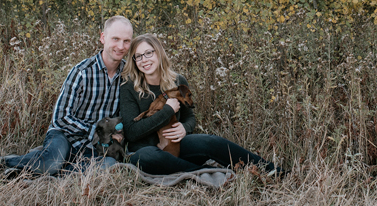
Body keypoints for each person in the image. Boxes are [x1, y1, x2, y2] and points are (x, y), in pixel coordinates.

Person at [118, 34, 280, 175]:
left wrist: (185, 128)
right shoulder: (129, 87)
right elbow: (132, 132)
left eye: (148, 53)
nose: (144, 60)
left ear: (159, 53)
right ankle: (203, 171)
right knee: (146, 157)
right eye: (138, 56)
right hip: (146, 152)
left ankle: (270, 170)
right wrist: (168, 110)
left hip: (176, 147)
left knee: (210, 142)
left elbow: (190, 118)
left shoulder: (178, 81)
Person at [1, 15, 133, 176]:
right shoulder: (82, 72)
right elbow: (60, 118)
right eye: (115, 39)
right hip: (66, 135)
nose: (121, 46)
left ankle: (37, 172)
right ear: (103, 38)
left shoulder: (128, 75)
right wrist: (97, 131)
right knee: (52, 163)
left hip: (96, 146)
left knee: (109, 165)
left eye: (126, 41)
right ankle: (8, 162)